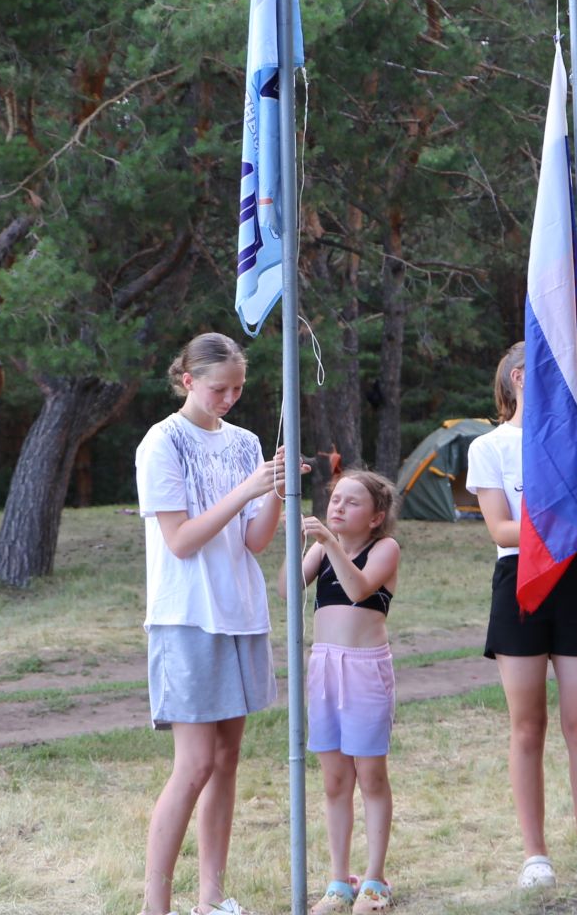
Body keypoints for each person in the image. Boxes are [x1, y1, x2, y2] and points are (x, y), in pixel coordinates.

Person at [136, 333, 290, 915]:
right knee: (195, 763)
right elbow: (179, 541)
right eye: (219, 388)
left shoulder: (247, 442)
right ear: (188, 381)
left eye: (238, 388)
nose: (229, 398)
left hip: (241, 614)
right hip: (187, 618)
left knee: (227, 762)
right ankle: (156, 905)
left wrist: (273, 487)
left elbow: (254, 539)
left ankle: (211, 899)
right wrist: (247, 488)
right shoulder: (163, 443)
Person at [469, 342, 577, 889]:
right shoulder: (489, 445)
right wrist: (557, 527)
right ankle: (536, 856)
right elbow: (500, 529)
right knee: (528, 726)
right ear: (520, 377)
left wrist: (575, 527)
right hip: (520, 581)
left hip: (572, 581)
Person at [301, 471, 402, 915]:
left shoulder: (385, 549)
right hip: (324, 667)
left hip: (364, 670)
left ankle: (375, 880)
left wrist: (329, 542)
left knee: (371, 776)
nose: (338, 506)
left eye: (352, 502)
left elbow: (360, 588)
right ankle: (339, 881)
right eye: (334, 497)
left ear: (377, 517)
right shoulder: (322, 549)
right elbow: (289, 588)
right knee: (335, 780)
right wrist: (307, 541)